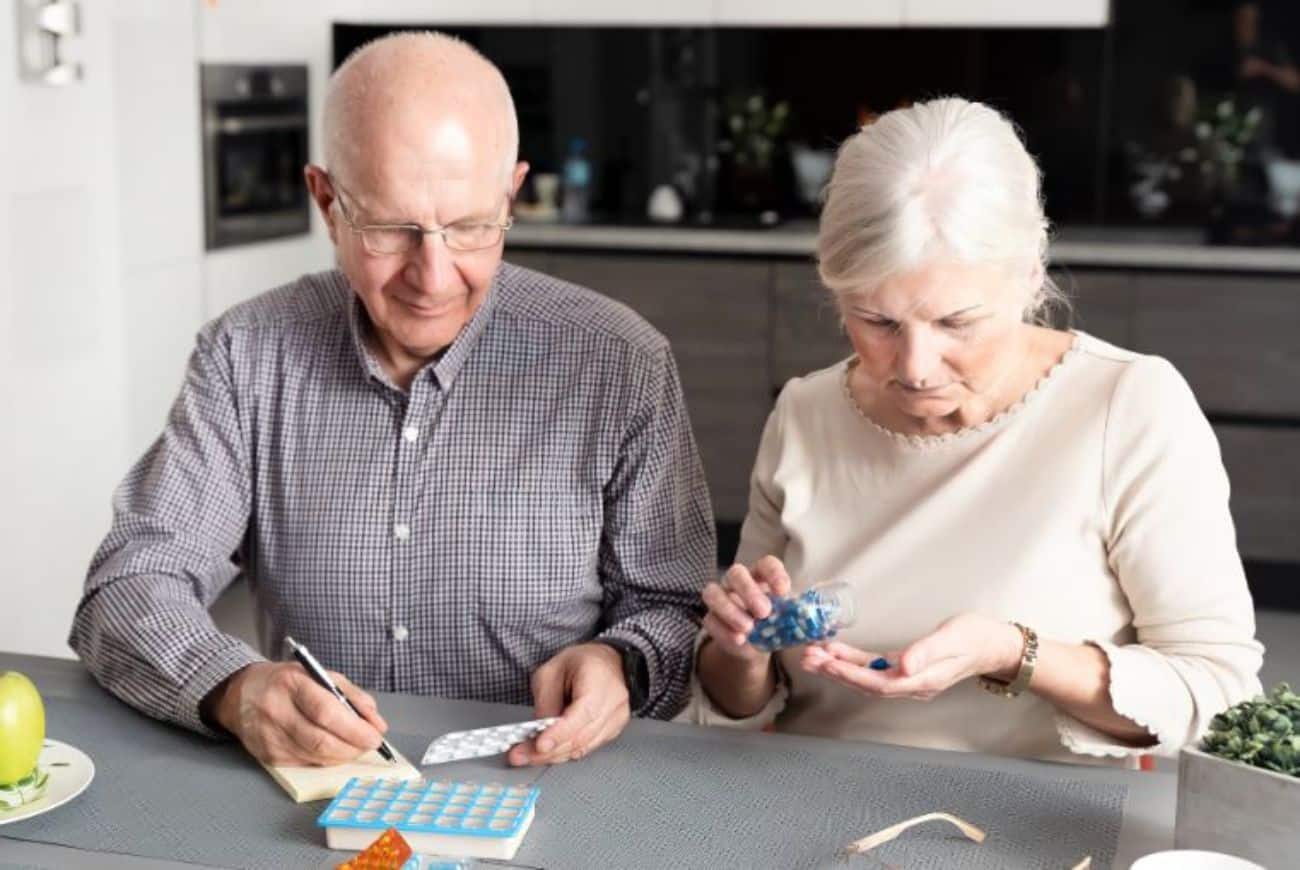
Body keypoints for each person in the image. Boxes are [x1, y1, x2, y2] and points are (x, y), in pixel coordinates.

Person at [70, 32, 713, 769]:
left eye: (471, 227)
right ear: (327, 203)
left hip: (552, 792)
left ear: (511, 195)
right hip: (324, 808)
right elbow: (129, 583)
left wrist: (620, 664)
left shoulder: (620, 364)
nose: (433, 276)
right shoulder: (245, 357)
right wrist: (234, 688)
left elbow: (676, 611)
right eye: (390, 229)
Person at [687, 97, 1263, 766]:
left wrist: (1014, 654)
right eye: (877, 322)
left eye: (956, 323)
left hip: (1041, 823)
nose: (915, 367)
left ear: (1029, 277)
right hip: (815, 797)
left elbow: (1218, 696)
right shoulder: (805, 412)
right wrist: (739, 650)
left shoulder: (1129, 406)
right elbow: (732, 703)